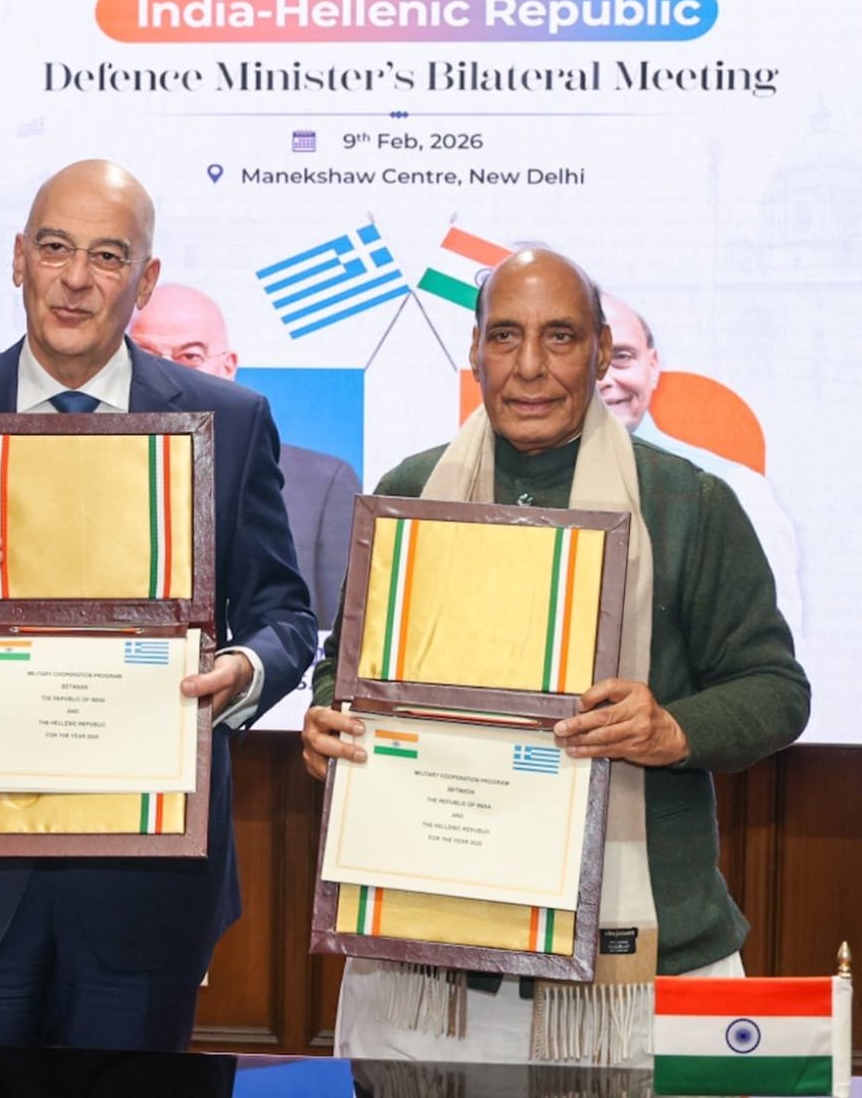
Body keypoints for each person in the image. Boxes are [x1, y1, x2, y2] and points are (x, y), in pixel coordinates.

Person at [0, 159, 316, 1050]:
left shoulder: (229, 422)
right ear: (18, 258)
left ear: (146, 280)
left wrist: (243, 672)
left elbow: (287, 617)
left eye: (107, 254)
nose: (76, 278)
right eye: (55, 248)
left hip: (147, 886)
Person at [303, 248, 809, 1064]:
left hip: (636, 958)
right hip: (429, 947)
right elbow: (346, 663)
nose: (529, 366)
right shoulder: (413, 488)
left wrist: (672, 726)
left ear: (603, 350)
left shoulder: (690, 502)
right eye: (505, 336)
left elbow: (776, 688)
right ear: (473, 351)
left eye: (561, 337)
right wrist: (331, 717)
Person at [128, 283, 359, 631]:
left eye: (189, 356)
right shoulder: (89, 466)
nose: (167, 377)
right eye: (148, 356)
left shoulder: (322, 485)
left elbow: (340, 645)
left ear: (229, 367)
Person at [597, 291, 804, 640]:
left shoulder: (733, 488)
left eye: (622, 358)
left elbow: (774, 663)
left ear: (654, 366)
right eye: (588, 362)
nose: (603, 379)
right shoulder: (528, 484)